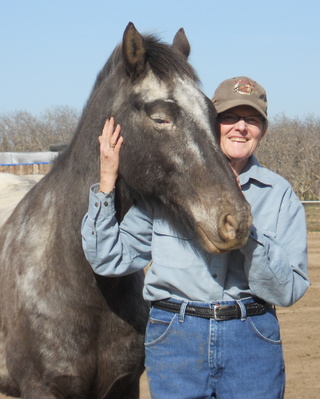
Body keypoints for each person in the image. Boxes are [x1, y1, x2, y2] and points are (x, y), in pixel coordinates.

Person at [81, 76, 309, 399]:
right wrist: (107, 180)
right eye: (230, 117)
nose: (240, 127)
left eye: (252, 119)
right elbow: (106, 256)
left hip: (251, 339)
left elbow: (288, 290)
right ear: (210, 123)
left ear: (263, 130)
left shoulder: (280, 196)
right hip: (177, 339)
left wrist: (245, 229)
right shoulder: (166, 186)